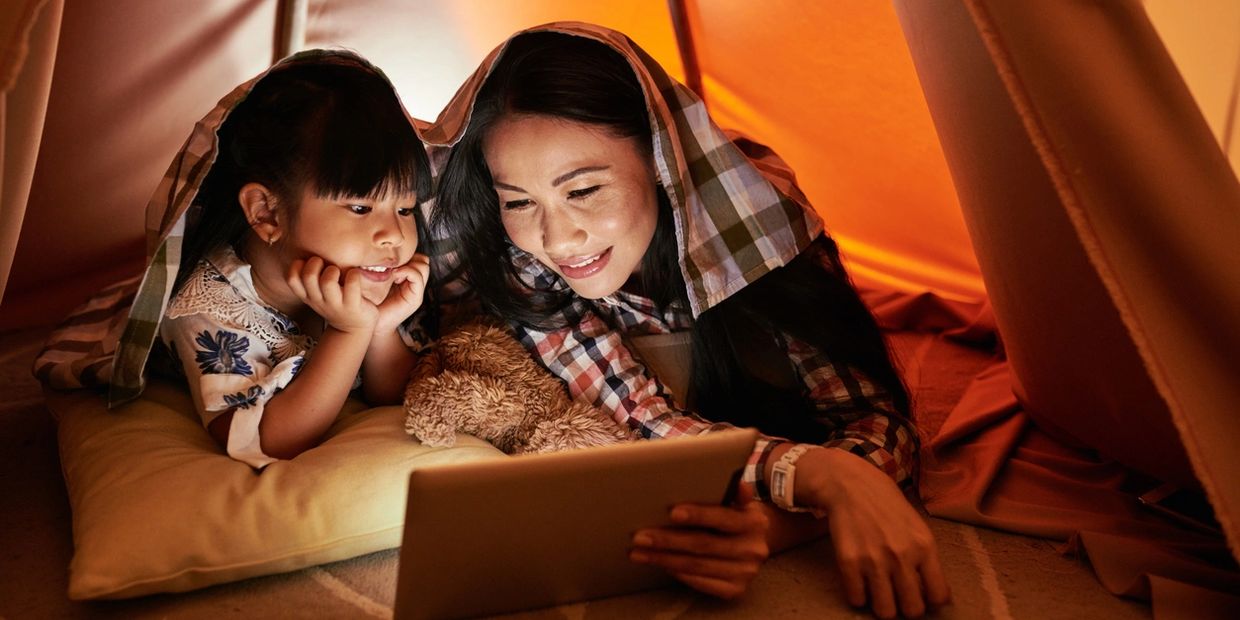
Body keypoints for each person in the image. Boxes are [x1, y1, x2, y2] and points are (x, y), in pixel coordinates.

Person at [433, 26, 949, 618]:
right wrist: (819, 478)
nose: (555, 237)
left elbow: (875, 417)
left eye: (584, 190)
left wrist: (778, 521)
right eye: (519, 201)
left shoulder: (756, 223)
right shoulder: (522, 265)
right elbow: (645, 429)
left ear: (661, 164)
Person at [158, 52, 434, 468]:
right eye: (360, 209)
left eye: (406, 208)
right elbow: (266, 440)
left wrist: (380, 329)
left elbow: (394, 395)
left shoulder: (356, 275)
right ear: (266, 213)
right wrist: (348, 331)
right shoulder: (208, 306)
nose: (394, 236)